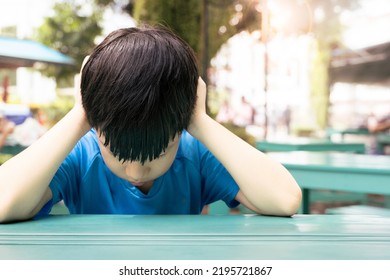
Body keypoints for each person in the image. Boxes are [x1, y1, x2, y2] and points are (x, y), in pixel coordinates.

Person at [0, 25, 301, 223]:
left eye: (156, 154)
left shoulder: (194, 154)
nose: (134, 172)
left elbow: (285, 199)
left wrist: (198, 119)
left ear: (180, 129)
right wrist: (80, 112)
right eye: (119, 153)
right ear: (95, 125)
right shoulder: (82, 155)